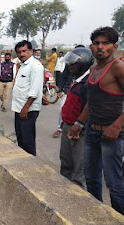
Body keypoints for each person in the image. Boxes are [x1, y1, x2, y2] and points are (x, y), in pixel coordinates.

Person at [68, 27, 124, 215]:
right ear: (91, 47)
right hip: (92, 131)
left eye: (105, 43)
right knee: (91, 178)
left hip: (112, 135)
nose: (100, 47)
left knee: (114, 183)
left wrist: (117, 126)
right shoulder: (93, 69)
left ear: (114, 46)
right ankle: (97, 215)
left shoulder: (118, 67)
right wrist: (79, 124)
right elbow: (91, 102)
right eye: (97, 43)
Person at [59, 47, 94, 187]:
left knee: (78, 165)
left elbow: (89, 108)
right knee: (65, 160)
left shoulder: (87, 83)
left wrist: (78, 126)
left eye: (73, 63)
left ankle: (76, 193)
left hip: (78, 130)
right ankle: (63, 186)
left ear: (82, 63)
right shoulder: (76, 80)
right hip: (67, 125)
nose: (70, 66)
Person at [12, 40, 44, 156]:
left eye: (24, 51)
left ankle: (31, 167)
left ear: (31, 51)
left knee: (27, 141)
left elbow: (34, 90)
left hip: (27, 110)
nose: (22, 54)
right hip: (19, 108)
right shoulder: (23, 65)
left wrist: (26, 108)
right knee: (21, 139)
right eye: (19, 52)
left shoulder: (35, 66)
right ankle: (22, 162)